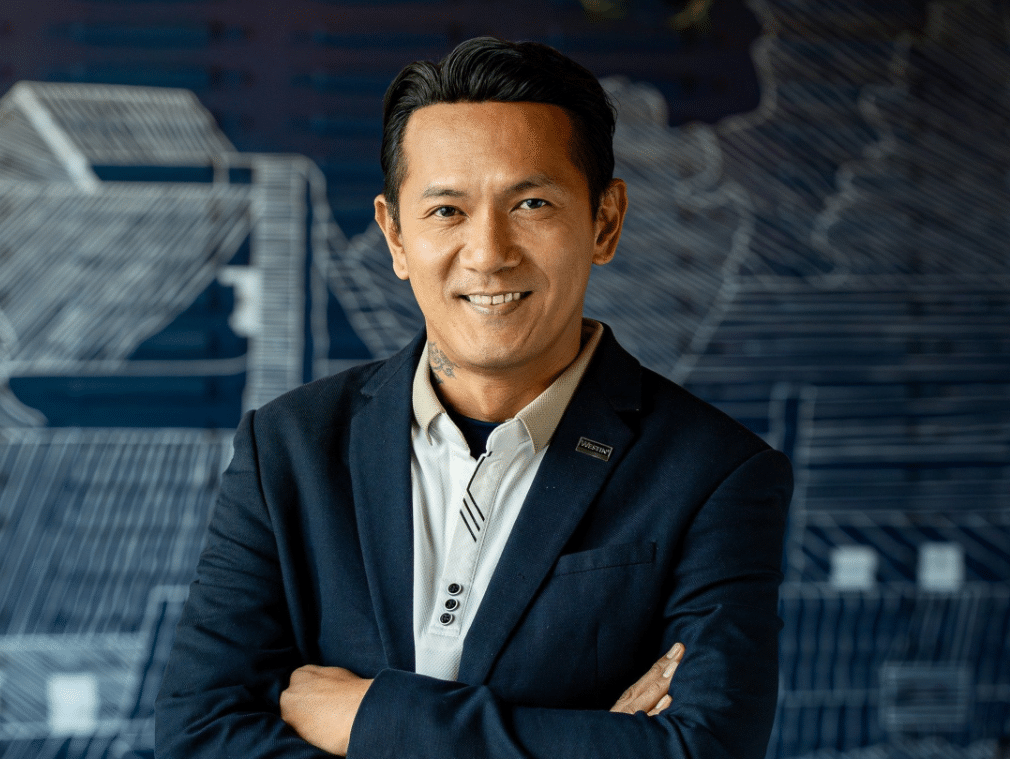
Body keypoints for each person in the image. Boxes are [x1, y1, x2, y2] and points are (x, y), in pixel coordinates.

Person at [155, 37, 792, 759]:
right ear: (395, 235)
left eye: (531, 203)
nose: (488, 252)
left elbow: (703, 750)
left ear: (605, 222)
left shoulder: (716, 475)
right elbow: (198, 734)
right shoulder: (290, 448)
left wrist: (373, 717)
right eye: (447, 211)